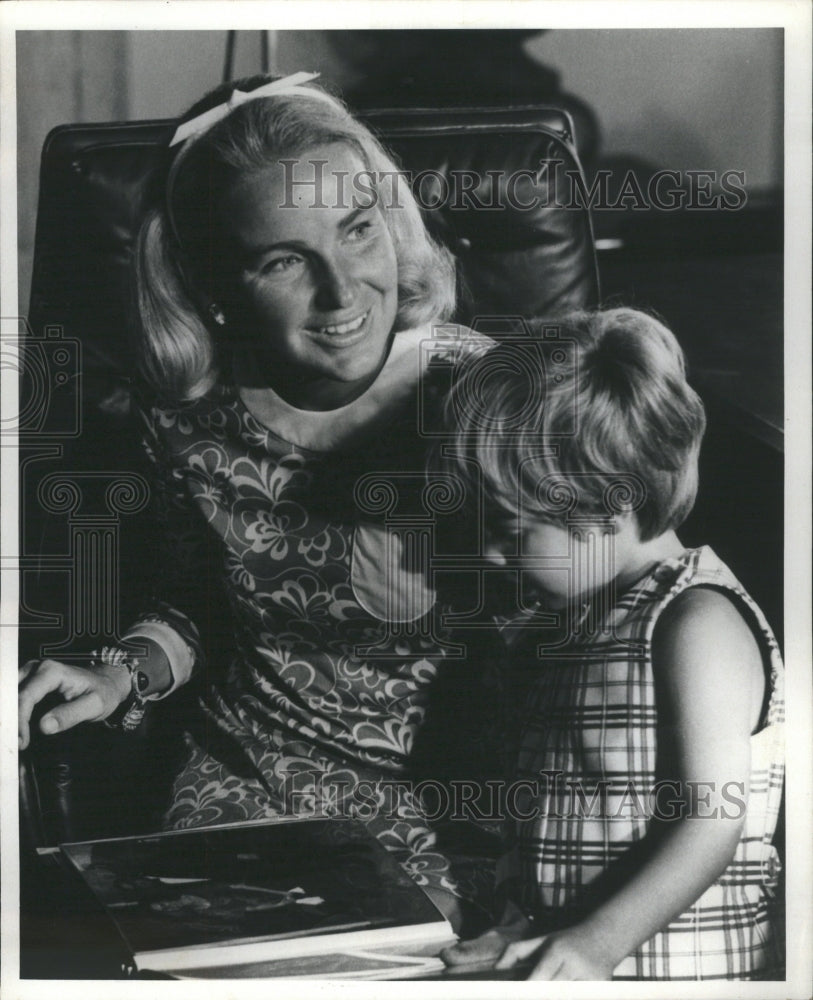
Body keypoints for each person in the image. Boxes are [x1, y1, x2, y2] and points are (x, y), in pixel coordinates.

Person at [17, 72, 498, 930]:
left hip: (458, 795)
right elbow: (204, 596)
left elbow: (610, 594)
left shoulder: (485, 395)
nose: (343, 293)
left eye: (358, 232)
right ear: (214, 290)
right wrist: (120, 668)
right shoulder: (186, 423)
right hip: (252, 772)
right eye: (283, 260)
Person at [437, 308, 785, 979]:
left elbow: (710, 824)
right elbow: (554, 823)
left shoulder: (696, 621)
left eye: (512, 532)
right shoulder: (572, 627)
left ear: (603, 499)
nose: (489, 554)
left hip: (685, 972)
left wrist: (598, 940)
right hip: (583, 961)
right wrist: (518, 925)